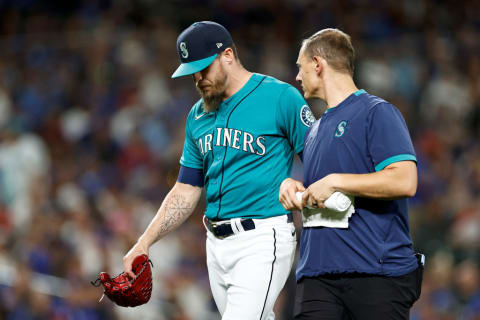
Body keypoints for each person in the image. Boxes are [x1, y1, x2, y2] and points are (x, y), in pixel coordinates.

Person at [123, 21, 314, 319]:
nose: (198, 78)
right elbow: (186, 189)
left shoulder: (280, 98)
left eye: (203, 68)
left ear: (227, 55)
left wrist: (306, 195)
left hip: (263, 237)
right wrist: (144, 242)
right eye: (192, 72)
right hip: (215, 244)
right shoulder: (197, 116)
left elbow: (319, 161)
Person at [279, 28, 423, 320]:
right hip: (317, 274)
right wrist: (297, 189)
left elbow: (405, 180)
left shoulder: (376, 112)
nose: (297, 77)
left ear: (318, 64)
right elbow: (327, 194)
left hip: (374, 273)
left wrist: (335, 181)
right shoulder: (315, 131)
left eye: (300, 67)